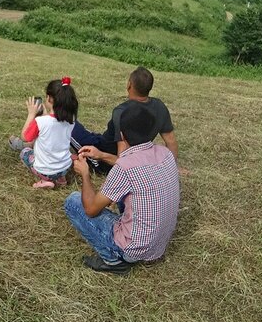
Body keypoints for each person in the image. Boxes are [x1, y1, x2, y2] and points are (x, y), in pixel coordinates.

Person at [65, 105, 180, 275]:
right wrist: (102, 155)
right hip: (158, 246)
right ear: (152, 130)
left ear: (122, 135)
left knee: (73, 202)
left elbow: (90, 210)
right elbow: (132, 163)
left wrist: (85, 174)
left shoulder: (124, 168)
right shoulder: (165, 154)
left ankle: (113, 260)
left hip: (132, 249)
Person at [71, 66, 179, 171]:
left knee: (66, 124)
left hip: (106, 161)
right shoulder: (159, 106)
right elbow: (171, 141)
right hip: (137, 157)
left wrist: (100, 155)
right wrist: (170, 167)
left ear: (129, 85)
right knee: (89, 133)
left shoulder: (122, 112)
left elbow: (122, 160)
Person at [12, 77, 79, 189]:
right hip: (64, 168)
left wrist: (31, 114)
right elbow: (53, 122)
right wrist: (45, 113)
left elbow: (24, 137)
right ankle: (60, 179)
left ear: (49, 98)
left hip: (44, 169)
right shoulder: (70, 120)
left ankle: (45, 181)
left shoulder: (40, 121)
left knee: (25, 152)